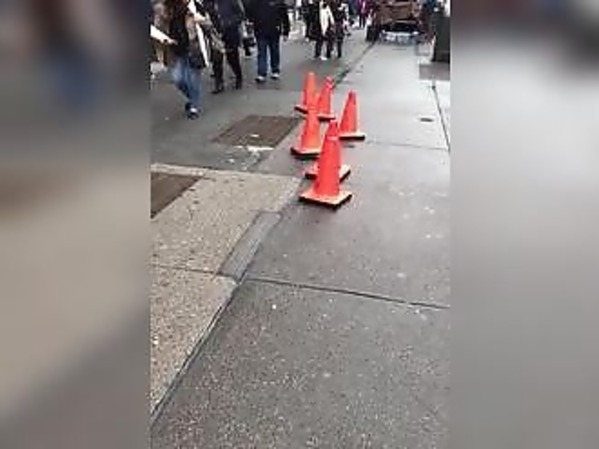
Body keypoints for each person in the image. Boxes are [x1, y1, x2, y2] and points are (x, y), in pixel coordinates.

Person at [163, 0, 209, 119]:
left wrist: (202, 20)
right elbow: (163, 26)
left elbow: (209, 23)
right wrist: (166, 39)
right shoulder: (170, 8)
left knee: (193, 79)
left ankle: (194, 107)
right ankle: (193, 98)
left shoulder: (195, 6)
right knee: (177, 79)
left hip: (194, 49)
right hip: (178, 50)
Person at [204, 0, 245, 92]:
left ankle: (238, 76)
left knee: (232, 59)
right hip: (215, 36)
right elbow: (204, 18)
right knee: (216, 60)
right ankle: (219, 83)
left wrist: (229, 22)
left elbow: (241, 15)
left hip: (230, 33)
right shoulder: (208, 3)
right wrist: (208, 29)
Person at [247, 0, 290, 83]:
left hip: (273, 30)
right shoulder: (256, 2)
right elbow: (250, 13)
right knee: (262, 52)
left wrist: (286, 31)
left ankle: (274, 70)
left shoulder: (279, 2)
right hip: (261, 30)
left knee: (274, 51)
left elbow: (285, 16)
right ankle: (262, 73)